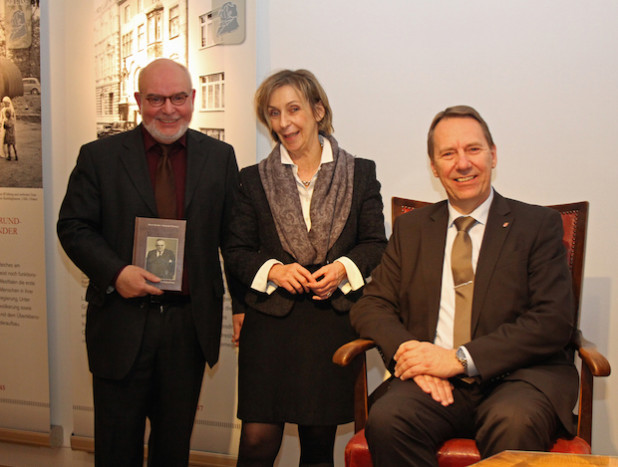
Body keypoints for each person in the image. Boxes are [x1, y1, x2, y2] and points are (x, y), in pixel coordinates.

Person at [350, 105, 578, 466]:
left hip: (517, 379)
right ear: (434, 166)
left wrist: (457, 359)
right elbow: (371, 304)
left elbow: (553, 321)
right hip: (433, 384)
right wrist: (413, 354)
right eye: (448, 153)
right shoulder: (413, 229)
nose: (463, 163)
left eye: (473, 149)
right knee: (390, 418)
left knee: (514, 422)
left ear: (493, 154)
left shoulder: (537, 225)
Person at [57, 58, 239, 466]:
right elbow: (73, 226)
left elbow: (235, 239)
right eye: (156, 98)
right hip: (121, 322)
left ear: (193, 99)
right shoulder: (99, 156)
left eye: (178, 98)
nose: (168, 109)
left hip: (187, 327)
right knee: (116, 448)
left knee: (172, 450)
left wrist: (244, 307)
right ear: (138, 100)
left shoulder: (220, 158)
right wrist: (115, 272)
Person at [223, 69, 387, 466]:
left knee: (317, 444)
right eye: (273, 113)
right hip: (270, 324)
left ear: (318, 110)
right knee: (257, 442)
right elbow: (237, 249)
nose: (284, 123)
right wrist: (275, 271)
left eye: (293, 109)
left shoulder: (360, 173)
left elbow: (376, 245)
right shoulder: (251, 180)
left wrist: (343, 269)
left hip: (331, 324)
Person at [2, 97, 17, 161]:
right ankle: (16, 156)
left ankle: (9, 156)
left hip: (8, 135)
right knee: (14, 146)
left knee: (8, 146)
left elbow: (5, 127)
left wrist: (4, 124)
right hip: (13, 135)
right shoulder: (12, 121)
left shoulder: (6, 122)